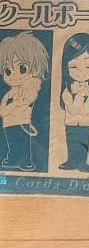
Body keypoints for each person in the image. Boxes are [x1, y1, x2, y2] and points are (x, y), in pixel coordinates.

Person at [0, 33, 49, 171]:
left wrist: (32, 82)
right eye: (8, 70)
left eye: (22, 68)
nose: (13, 75)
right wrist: (14, 104)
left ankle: (26, 161)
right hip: (8, 124)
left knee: (23, 143)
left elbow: (28, 99)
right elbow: (2, 111)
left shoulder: (30, 87)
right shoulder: (9, 94)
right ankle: (13, 158)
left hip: (22, 123)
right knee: (12, 143)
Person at [58, 33, 89, 172]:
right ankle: (71, 161)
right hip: (70, 122)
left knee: (83, 142)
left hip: (85, 122)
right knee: (71, 142)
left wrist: (79, 98)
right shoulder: (67, 90)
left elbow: (85, 111)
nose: (80, 72)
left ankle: (82, 163)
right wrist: (80, 96)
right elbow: (72, 110)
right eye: (73, 67)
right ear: (66, 67)